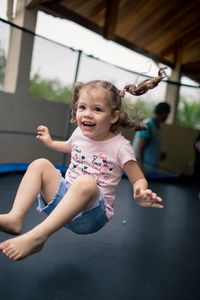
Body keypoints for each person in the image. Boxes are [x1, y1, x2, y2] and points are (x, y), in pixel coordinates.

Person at [0, 72, 165, 261]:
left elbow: (138, 178)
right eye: (82, 107)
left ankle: (37, 237)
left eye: (97, 109)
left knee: (86, 182)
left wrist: (140, 192)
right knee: (40, 164)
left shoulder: (121, 147)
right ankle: (15, 218)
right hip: (65, 200)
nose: (87, 113)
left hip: (92, 214)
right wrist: (51, 142)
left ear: (113, 116)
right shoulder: (80, 133)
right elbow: (70, 147)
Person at [132, 102, 171, 174]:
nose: (168, 116)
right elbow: (139, 149)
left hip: (150, 170)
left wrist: (158, 155)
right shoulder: (148, 125)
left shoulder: (156, 127)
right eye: (168, 114)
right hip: (144, 171)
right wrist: (141, 170)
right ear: (165, 113)